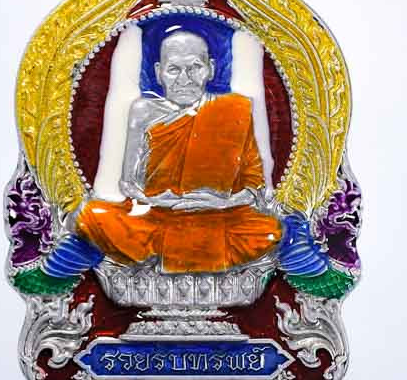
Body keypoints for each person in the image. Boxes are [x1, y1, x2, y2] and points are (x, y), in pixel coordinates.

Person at [71, 30, 282, 273]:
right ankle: (185, 253)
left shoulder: (235, 110)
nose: (185, 79)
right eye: (174, 69)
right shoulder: (143, 111)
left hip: (220, 217)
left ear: (210, 69)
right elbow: (128, 184)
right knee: (91, 215)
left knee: (270, 231)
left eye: (195, 67)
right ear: (159, 72)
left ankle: (167, 254)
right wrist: (155, 201)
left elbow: (254, 186)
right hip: (158, 216)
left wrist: (224, 202)